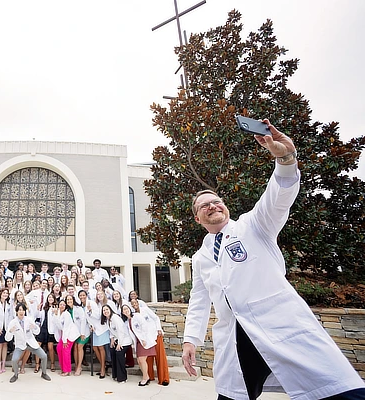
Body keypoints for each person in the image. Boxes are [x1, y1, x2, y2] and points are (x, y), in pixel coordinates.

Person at [182, 119, 365, 400]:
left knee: (338, 392)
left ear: (225, 207)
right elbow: (199, 300)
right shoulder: (201, 257)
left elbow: (278, 197)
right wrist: (190, 340)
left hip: (279, 326)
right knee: (232, 396)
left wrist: (286, 159)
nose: (212, 206)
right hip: (235, 338)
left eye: (216, 201)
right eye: (204, 206)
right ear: (198, 218)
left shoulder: (254, 226)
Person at [5, 302, 51, 383]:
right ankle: (15, 375)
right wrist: (10, 331)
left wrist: (34, 327)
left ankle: (44, 373)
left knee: (44, 356)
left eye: (23, 310)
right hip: (20, 345)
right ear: (16, 311)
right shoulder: (13, 322)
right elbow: (7, 338)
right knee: (14, 360)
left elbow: (37, 332)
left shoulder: (29, 319)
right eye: (19, 310)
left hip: (31, 343)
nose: (21, 312)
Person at [122, 304, 155, 386]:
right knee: (139, 361)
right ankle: (146, 376)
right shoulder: (127, 321)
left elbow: (144, 326)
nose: (126, 311)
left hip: (144, 340)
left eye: (127, 308)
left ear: (129, 309)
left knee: (142, 360)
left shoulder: (136, 316)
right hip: (137, 341)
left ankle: (145, 378)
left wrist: (143, 338)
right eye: (124, 310)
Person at [103, 304, 132, 384]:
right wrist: (112, 340)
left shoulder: (115, 318)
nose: (105, 312)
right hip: (117, 339)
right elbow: (111, 331)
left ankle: (122, 377)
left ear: (110, 310)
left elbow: (120, 331)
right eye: (104, 310)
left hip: (124, 340)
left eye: (107, 310)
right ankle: (115, 375)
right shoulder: (108, 319)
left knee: (119, 354)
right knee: (112, 351)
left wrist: (120, 343)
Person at [53, 298, 80, 377]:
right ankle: (63, 368)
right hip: (64, 335)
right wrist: (55, 315)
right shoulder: (58, 313)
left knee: (66, 351)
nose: (62, 306)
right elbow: (58, 325)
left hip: (69, 334)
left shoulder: (67, 314)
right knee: (59, 348)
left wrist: (64, 340)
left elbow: (66, 328)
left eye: (63, 305)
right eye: (60, 304)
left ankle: (67, 370)